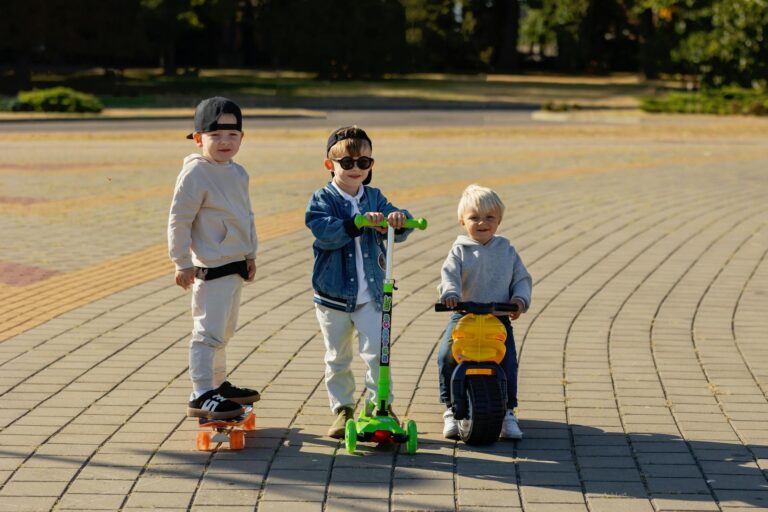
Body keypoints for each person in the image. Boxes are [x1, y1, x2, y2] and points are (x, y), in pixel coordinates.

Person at [305, 126, 415, 438]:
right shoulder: (323, 199)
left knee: (378, 354)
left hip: (372, 295)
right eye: (347, 163)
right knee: (337, 356)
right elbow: (323, 231)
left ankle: (379, 405)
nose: (356, 169)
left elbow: (402, 221)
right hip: (333, 295)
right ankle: (342, 408)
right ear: (331, 165)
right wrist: (355, 223)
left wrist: (395, 221)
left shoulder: (375, 197)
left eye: (363, 163)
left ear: (371, 165)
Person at [168, 96, 260, 419]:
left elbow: (245, 215)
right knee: (207, 333)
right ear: (198, 138)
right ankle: (201, 392)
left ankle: (219, 386)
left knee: (225, 330)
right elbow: (179, 219)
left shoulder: (238, 173)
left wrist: (250, 253)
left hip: (235, 265)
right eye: (215, 135)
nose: (225, 142)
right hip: (209, 268)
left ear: (242, 138)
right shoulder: (195, 175)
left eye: (232, 135)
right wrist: (181, 262)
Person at [437, 184, 532, 440]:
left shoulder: (506, 250)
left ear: (499, 220)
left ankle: (508, 411)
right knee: (447, 355)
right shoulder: (459, 250)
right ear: (462, 221)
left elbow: (521, 278)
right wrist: (450, 295)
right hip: (463, 316)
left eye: (489, 217)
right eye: (474, 217)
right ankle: (450, 408)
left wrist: (519, 299)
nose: (482, 223)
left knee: (507, 359)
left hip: (497, 318)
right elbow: (449, 276)